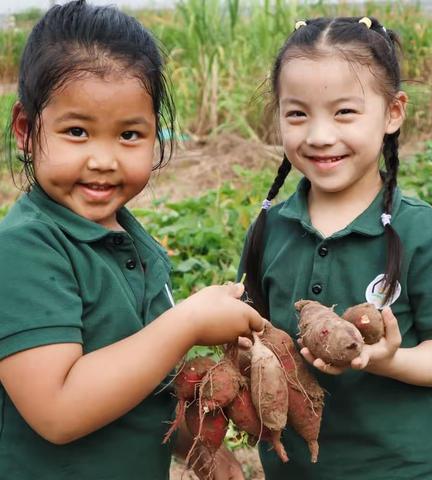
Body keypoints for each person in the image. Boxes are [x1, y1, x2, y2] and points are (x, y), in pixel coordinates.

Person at [0, 1, 264, 479]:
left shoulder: (135, 246)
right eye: (77, 131)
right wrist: (186, 323)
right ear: (26, 130)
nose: (104, 159)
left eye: (129, 134)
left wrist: (197, 447)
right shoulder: (25, 249)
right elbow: (56, 411)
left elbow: (141, 386)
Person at [239, 16, 432, 480]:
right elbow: (256, 330)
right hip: (294, 469)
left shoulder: (421, 232)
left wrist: (389, 359)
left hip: (403, 469)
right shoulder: (269, 228)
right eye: (297, 114)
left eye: (344, 112)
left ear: (393, 112)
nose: (319, 135)